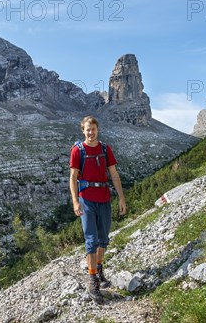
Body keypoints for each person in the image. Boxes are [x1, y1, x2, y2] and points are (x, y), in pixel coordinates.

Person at [69, 115, 127, 304]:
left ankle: (99, 269)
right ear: (83, 130)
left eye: (93, 129)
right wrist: (75, 202)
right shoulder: (78, 151)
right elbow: (72, 178)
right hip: (86, 201)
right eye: (88, 129)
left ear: (97, 130)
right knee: (91, 241)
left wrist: (121, 197)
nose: (91, 133)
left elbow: (114, 173)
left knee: (103, 239)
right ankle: (92, 280)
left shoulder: (105, 149)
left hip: (104, 199)